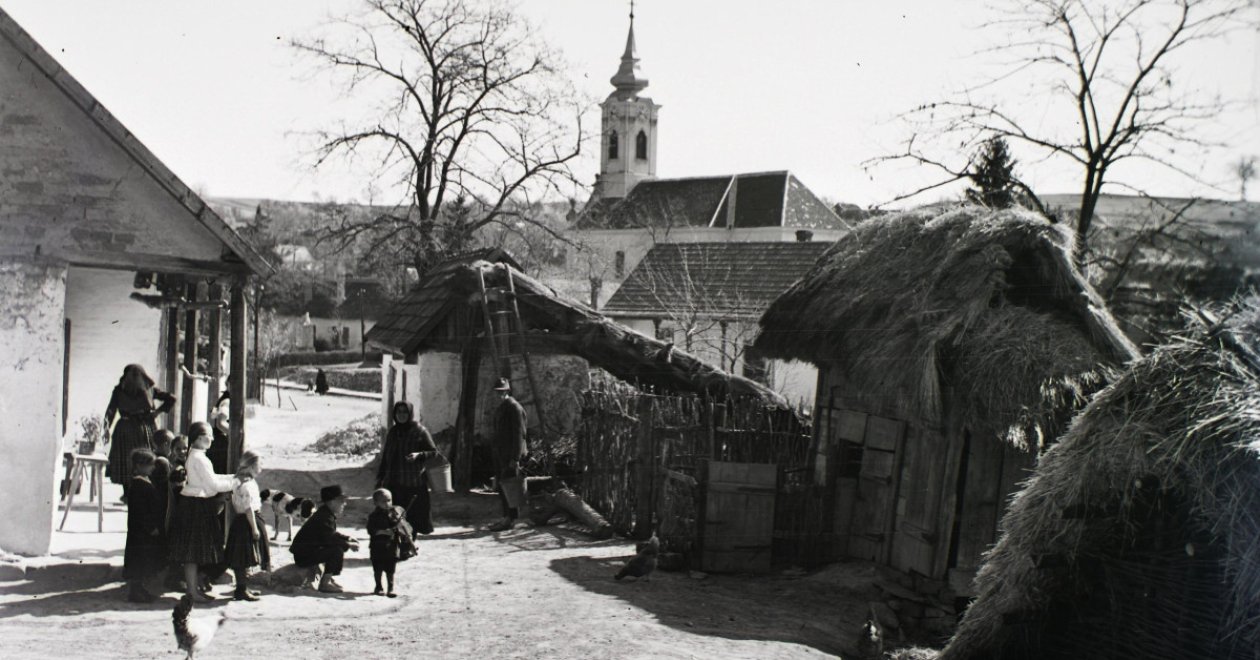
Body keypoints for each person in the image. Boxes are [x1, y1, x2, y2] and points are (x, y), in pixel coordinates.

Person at [168, 421, 244, 603]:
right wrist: (236, 482)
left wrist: (233, 477)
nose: (212, 438)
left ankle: (193, 590)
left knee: (193, 552)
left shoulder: (196, 456)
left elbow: (213, 478)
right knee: (192, 553)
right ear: (200, 438)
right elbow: (214, 485)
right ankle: (192, 592)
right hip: (196, 505)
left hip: (194, 504)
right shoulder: (199, 458)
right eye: (209, 435)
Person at [104, 364, 175, 503]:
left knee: (133, 459)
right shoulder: (147, 389)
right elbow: (171, 398)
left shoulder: (122, 390)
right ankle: (132, 492)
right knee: (134, 459)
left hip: (128, 428)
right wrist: (157, 412)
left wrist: (106, 428)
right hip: (142, 428)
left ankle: (132, 492)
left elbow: (111, 411)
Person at [376, 402, 438, 538]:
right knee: (395, 516)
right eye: (398, 412)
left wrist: (419, 455)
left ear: (410, 413)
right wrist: (380, 478)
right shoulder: (393, 431)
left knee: (412, 517)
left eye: (405, 412)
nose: (401, 415)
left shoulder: (420, 431)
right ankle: (398, 546)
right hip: (394, 483)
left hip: (413, 482)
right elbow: (386, 456)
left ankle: (409, 544)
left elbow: (433, 452)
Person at [291, 484, 358, 593]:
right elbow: (330, 538)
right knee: (336, 550)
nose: (344, 504)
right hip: (303, 556)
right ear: (331, 502)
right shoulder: (324, 516)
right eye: (341, 501)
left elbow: (331, 533)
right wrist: (348, 545)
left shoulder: (325, 513)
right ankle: (325, 583)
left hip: (306, 552)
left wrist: (348, 538)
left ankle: (329, 577)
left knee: (337, 547)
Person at [224, 451, 269, 601]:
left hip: (239, 521)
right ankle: (241, 589)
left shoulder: (237, 481)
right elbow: (248, 507)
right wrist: (255, 528)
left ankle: (242, 587)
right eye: (259, 465)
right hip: (248, 521)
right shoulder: (248, 485)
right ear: (250, 466)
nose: (261, 468)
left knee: (240, 558)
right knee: (244, 557)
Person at [488, 378, 529, 532]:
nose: (499, 394)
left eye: (502, 391)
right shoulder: (502, 408)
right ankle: (507, 517)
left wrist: (515, 458)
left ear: (507, 391)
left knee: (512, 487)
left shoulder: (514, 408)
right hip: (501, 454)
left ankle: (512, 519)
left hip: (510, 455)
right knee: (503, 486)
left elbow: (519, 435)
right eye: (496, 392)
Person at [124, 448, 164, 603]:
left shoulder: (144, 481)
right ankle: (135, 591)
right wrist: (150, 527)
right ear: (140, 466)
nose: (152, 468)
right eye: (150, 465)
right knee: (138, 562)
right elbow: (141, 511)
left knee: (143, 561)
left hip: (142, 532)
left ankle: (140, 590)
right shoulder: (138, 485)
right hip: (140, 532)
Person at [367, 488, 415, 598]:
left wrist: (406, 535)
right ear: (376, 503)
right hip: (377, 545)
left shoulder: (396, 513)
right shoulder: (373, 516)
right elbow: (371, 530)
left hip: (393, 545)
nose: (387, 504)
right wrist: (382, 531)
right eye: (383, 501)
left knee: (391, 568)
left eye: (389, 500)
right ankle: (378, 587)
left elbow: (403, 528)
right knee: (377, 567)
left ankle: (390, 588)